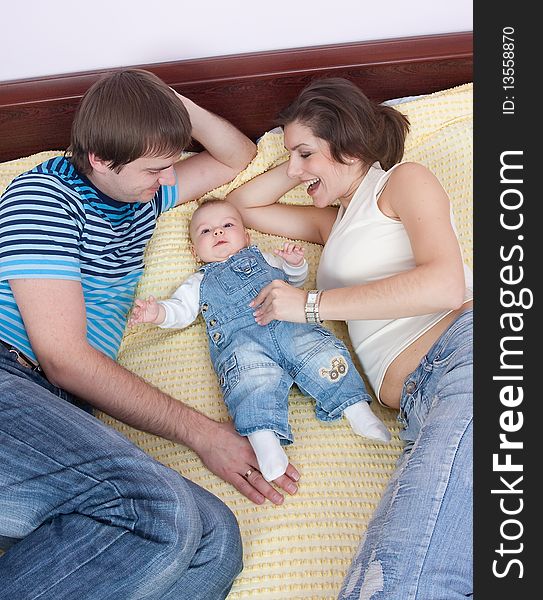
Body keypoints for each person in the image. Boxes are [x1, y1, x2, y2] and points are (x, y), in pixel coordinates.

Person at [0, 69, 300, 599]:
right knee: (159, 514)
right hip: (13, 378)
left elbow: (237, 156)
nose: (168, 180)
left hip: (61, 407)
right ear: (99, 159)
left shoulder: (141, 196)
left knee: (214, 541)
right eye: (155, 169)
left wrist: (170, 104)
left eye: (170, 165)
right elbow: (63, 359)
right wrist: (205, 435)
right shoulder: (43, 197)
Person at [226, 77, 473, 599]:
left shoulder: (403, 181)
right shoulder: (330, 224)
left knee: (407, 573)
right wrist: (305, 164)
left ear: (351, 143)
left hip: (466, 352)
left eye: (305, 153)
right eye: (290, 157)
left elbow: (445, 285)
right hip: (422, 400)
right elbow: (241, 207)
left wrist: (311, 304)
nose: (294, 170)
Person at [129, 198, 391, 481]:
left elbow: (294, 280)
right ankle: (266, 444)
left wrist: (294, 263)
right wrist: (157, 312)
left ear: (246, 236)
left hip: (291, 326)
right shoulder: (197, 283)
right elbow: (179, 311)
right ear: (195, 251)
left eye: (227, 225)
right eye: (206, 231)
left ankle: (356, 409)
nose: (218, 232)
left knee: (323, 352)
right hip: (243, 346)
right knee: (249, 385)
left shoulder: (264, 257)